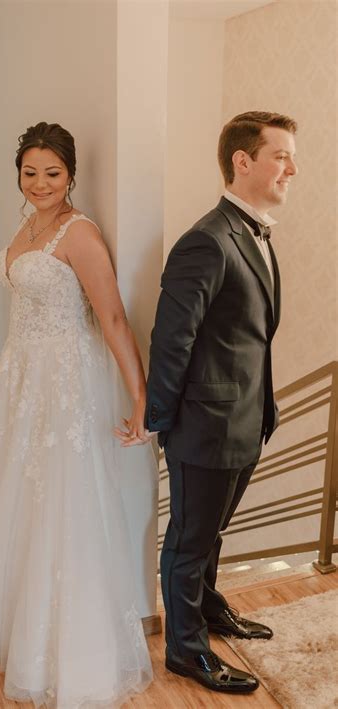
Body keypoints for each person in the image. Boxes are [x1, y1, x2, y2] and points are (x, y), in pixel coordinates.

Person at [0, 121, 155, 707]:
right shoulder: (29, 223)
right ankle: (6, 607)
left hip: (63, 380)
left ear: (72, 175)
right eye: (30, 172)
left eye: (53, 173)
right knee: (11, 492)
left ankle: (53, 634)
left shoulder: (80, 233)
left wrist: (142, 399)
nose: (40, 183)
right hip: (19, 376)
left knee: (58, 498)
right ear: (20, 173)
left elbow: (113, 318)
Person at [143, 111, 298, 693]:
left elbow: (249, 337)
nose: (291, 167)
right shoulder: (205, 241)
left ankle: (211, 610)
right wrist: (162, 422)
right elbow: (171, 341)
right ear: (244, 161)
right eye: (281, 155)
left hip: (247, 419)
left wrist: (264, 406)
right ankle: (187, 652)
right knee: (188, 541)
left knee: (212, 534)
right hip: (203, 427)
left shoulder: (253, 232)